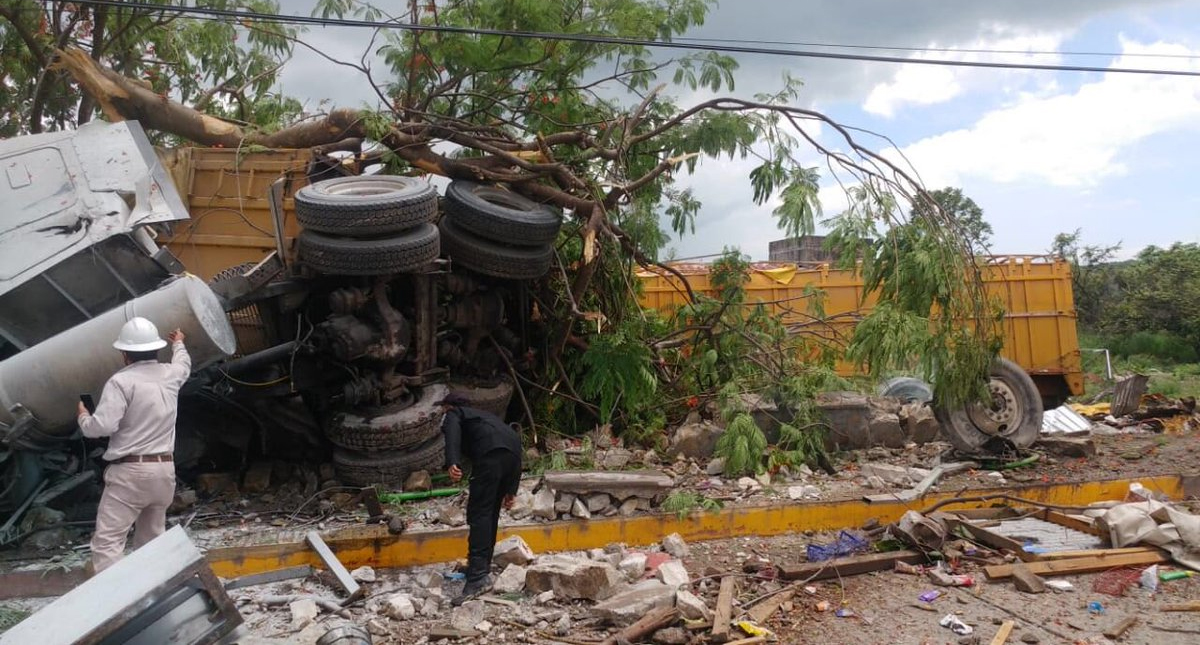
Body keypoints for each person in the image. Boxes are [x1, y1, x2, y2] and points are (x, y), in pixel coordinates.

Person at [77, 317, 190, 574]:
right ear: (156, 349)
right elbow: (183, 365)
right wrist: (179, 344)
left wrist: (83, 417)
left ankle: (117, 596)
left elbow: (102, 427)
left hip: (130, 474)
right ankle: (158, 590)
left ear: (125, 354)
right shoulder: (170, 374)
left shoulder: (121, 382)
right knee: (153, 542)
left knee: (108, 543)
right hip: (164, 472)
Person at [438, 394, 523, 605]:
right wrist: (511, 489)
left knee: (479, 513)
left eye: (442, 410)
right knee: (490, 512)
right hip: (511, 456)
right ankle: (481, 566)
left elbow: (452, 429)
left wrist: (452, 461)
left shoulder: (454, 414)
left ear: (448, 407)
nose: (442, 414)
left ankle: (477, 578)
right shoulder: (486, 417)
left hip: (490, 456)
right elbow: (514, 444)